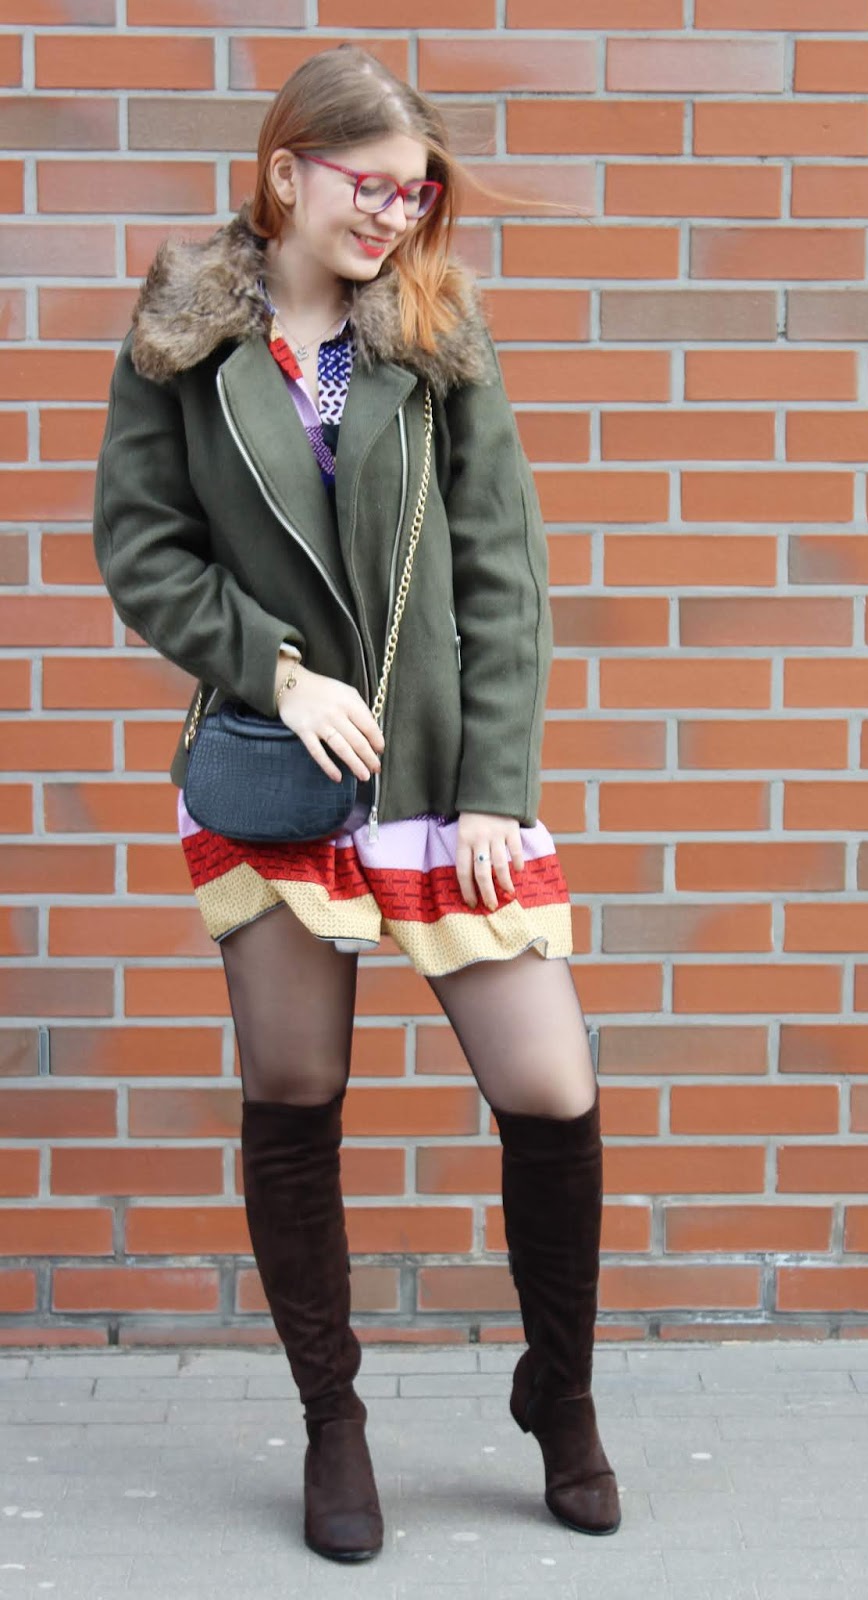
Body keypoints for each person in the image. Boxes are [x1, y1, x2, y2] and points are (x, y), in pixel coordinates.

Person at [92, 43, 620, 1563]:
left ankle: (559, 1395)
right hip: (282, 776)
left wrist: (499, 789)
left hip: (443, 779)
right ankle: (333, 1418)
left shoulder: (436, 334)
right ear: (287, 171)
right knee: (295, 1087)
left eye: (417, 192)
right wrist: (274, 671)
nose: (396, 214)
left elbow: (502, 571)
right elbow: (142, 548)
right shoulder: (185, 334)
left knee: (549, 1086)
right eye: (371, 185)